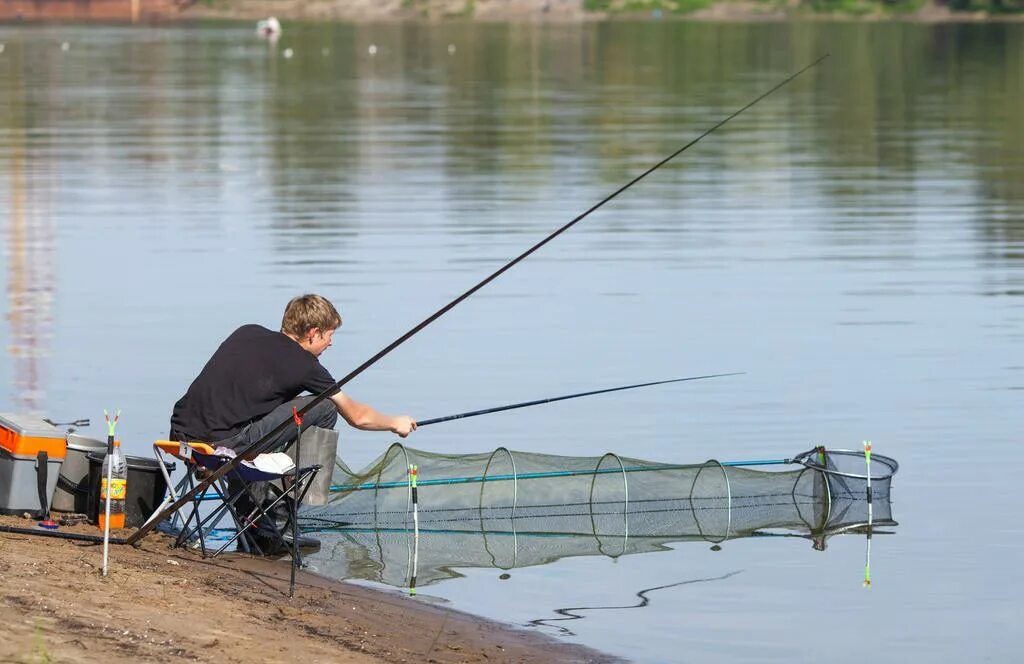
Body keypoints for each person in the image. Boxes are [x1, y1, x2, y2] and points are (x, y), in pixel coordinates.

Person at [169, 293, 416, 453]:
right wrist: (395, 423)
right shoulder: (306, 366)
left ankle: (253, 510)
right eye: (329, 336)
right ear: (313, 333)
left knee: (268, 410)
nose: (330, 344)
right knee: (326, 406)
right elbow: (358, 417)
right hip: (222, 447)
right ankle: (285, 512)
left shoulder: (247, 331)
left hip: (179, 436)